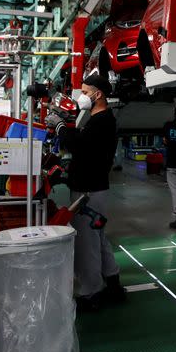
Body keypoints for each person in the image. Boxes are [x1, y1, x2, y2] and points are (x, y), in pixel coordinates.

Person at [46, 74, 125, 311]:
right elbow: (87, 149)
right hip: (94, 187)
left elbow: (78, 145)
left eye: (85, 91)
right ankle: (112, 282)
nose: (82, 96)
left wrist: (59, 125)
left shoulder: (101, 121)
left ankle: (91, 293)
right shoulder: (99, 118)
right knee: (98, 239)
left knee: (87, 244)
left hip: (88, 191)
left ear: (97, 94)